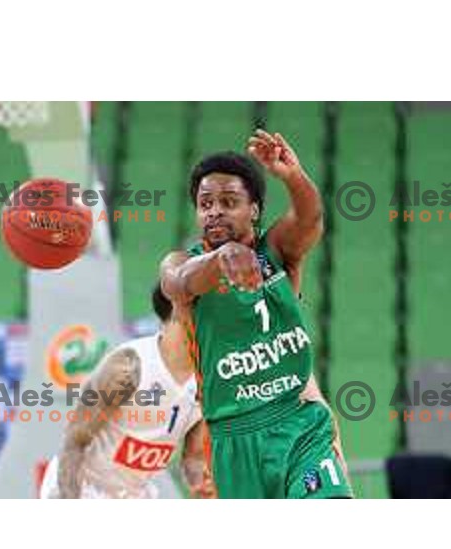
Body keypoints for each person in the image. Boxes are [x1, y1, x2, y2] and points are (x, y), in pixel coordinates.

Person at [161, 129, 353, 498]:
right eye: (206, 203)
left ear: (255, 209)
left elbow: (310, 220)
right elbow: (178, 282)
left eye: (229, 201)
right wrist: (222, 258)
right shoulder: (183, 261)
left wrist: (293, 177)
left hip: (299, 425)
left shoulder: (279, 250)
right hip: (233, 439)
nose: (214, 210)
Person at [40, 284, 215, 499]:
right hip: (83, 488)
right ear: (179, 310)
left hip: (134, 494)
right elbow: (74, 442)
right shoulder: (128, 367)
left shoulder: (206, 381)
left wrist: (203, 481)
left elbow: (193, 458)